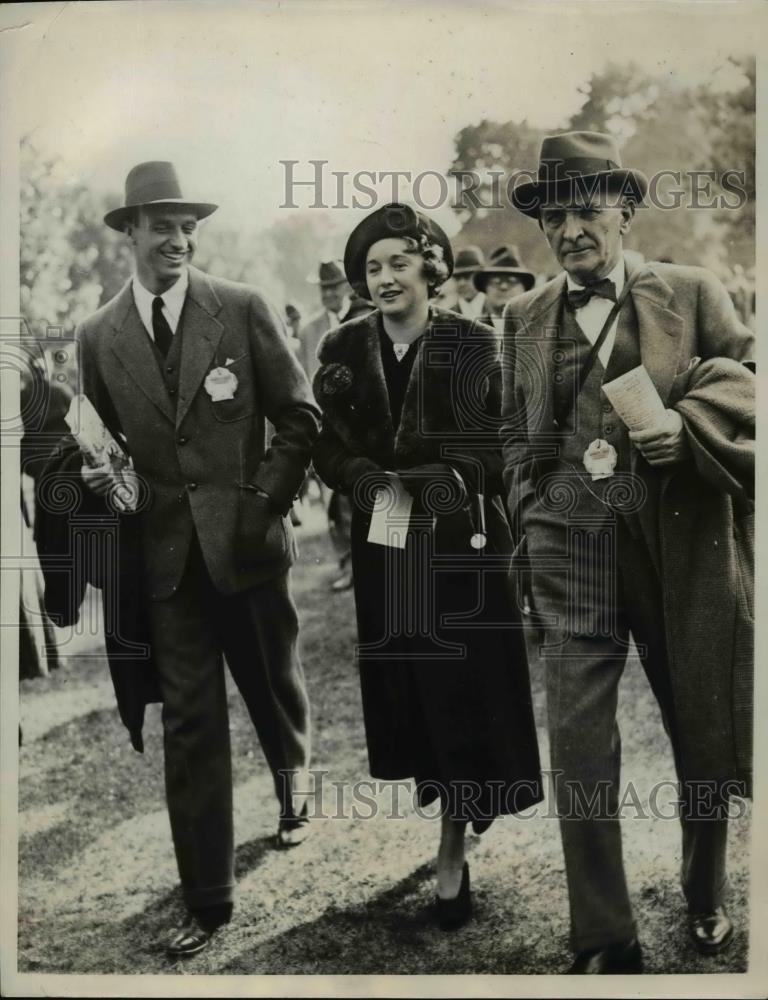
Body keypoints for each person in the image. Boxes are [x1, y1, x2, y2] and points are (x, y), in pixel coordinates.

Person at [502, 131, 754, 973]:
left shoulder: (693, 291)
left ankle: (706, 887)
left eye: (586, 209)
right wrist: (531, 512)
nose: (570, 228)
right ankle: (604, 935)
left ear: (624, 209)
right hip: (572, 553)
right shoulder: (525, 315)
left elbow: (748, 385)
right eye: (554, 215)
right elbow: (516, 434)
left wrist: (688, 429)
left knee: (700, 726)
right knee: (577, 743)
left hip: (677, 546)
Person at [73, 161, 320, 956]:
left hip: (248, 550)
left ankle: (294, 783)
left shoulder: (241, 309)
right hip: (165, 563)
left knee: (273, 688)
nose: (178, 239)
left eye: (188, 227)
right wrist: (97, 479)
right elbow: (100, 443)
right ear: (131, 234)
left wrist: (262, 505)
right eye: (162, 226)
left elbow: (299, 417)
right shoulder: (96, 336)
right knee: (192, 726)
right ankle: (208, 898)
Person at [312, 202, 542, 928]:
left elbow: (501, 443)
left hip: (461, 548)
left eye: (399, 263)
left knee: (464, 690)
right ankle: (459, 806)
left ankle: (453, 850)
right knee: (415, 692)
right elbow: (325, 442)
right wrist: (359, 477)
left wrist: (442, 478)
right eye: (372, 268)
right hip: (387, 546)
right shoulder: (344, 349)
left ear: (431, 269)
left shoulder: (473, 343)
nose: (385, 279)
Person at [300, 260, 373, 591]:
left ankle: (379, 559)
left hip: (367, 425)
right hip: (329, 427)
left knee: (372, 494)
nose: (328, 293)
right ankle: (349, 564)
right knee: (335, 501)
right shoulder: (309, 330)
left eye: (334, 286)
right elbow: (303, 378)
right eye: (323, 288)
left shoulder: (366, 317)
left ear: (346, 287)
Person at [473, 245, 535, 345]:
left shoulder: (538, 328)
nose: (503, 286)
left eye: (512, 281)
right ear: (485, 289)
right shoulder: (473, 332)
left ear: (524, 289)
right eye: (496, 282)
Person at [452, 245, 487, 319]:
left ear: (481, 277)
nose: (461, 283)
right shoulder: (447, 316)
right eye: (457, 278)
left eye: (467, 276)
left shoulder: (495, 310)